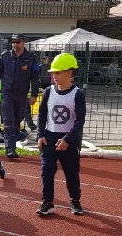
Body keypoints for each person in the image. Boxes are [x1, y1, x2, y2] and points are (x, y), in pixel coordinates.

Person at [36, 53, 87, 216]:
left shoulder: (77, 94)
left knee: (71, 172)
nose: (54, 76)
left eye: (58, 72)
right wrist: (40, 134)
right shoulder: (48, 92)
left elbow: (79, 120)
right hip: (49, 138)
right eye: (53, 72)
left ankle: (75, 201)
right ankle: (47, 202)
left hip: (69, 140)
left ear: (70, 73)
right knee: (47, 169)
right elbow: (42, 114)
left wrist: (67, 139)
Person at [0, 33, 39, 159]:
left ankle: (16, 134)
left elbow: (35, 77)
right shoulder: (5, 56)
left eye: (18, 42)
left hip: (22, 95)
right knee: (8, 121)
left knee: (18, 120)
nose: (15, 44)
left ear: (24, 43)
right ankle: (10, 148)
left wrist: (34, 95)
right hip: (7, 94)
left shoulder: (31, 57)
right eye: (13, 42)